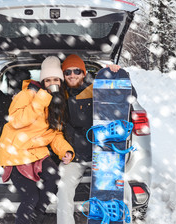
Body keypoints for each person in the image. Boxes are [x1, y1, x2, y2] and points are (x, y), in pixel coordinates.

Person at [0, 56, 74, 224]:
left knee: (54, 179)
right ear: (42, 81)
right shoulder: (27, 94)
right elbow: (16, 121)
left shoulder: (59, 102)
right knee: (31, 196)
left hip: (37, 151)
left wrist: (65, 151)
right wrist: (40, 98)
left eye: (56, 79)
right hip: (16, 150)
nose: (52, 83)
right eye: (48, 80)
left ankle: (35, 218)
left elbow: (56, 134)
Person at [56, 54, 123, 224]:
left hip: (100, 155)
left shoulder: (98, 89)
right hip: (73, 157)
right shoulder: (59, 95)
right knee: (63, 190)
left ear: (84, 73)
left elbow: (126, 98)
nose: (72, 75)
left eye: (77, 71)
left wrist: (118, 74)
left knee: (123, 190)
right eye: (68, 72)